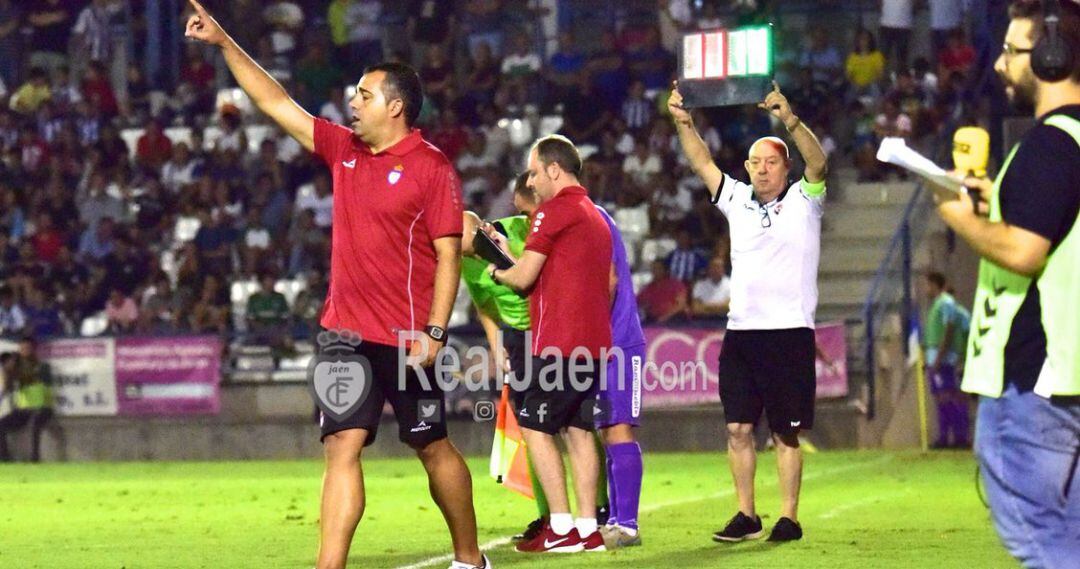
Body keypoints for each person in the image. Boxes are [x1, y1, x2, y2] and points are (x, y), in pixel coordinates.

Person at [182, 3, 487, 569]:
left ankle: (470, 559)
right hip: (343, 336)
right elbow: (275, 101)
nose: (353, 101)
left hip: (408, 337)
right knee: (341, 447)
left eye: (365, 95)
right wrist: (226, 44)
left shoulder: (432, 167)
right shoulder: (342, 148)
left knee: (430, 444)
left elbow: (449, 256)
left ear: (395, 107)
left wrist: (437, 332)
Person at [931, 2, 1080, 565]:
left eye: (1012, 51)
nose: (998, 65)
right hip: (1068, 374)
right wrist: (1002, 206)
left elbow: (1024, 251)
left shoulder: (1051, 142)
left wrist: (962, 219)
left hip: (1033, 381)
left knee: (1043, 545)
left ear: (1051, 57)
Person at [668, 80, 828, 542]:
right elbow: (701, 162)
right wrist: (684, 121)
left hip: (789, 333)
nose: (761, 170)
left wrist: (790, 119)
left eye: (771, 162)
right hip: (742, 334)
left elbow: (818, 162)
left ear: (785, 168)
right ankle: (746, 514)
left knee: (785, 433)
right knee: (737, 428)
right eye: (755, 163)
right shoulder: (736, 199)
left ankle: (789, 517)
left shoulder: (805, 201)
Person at [487, 135, 612, 554]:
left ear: (554, 169)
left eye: (535, 171)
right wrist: (511, 258)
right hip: (592, 343)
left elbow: (522, 281)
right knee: (578, 430)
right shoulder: (592, 213)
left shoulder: (553, 212)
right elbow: (548, 277)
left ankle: (559, 526)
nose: (532, 180)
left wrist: (499, 272)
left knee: (534, 424)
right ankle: (587, 527)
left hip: (559, 343)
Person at [922, 272, 971, 448]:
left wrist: (939, 359)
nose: (925, 289)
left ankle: (956, 437)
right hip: (936, 358)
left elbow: (948, 331)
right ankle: (949, 437)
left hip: (943, 360)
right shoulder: (938, 304)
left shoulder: (946, 303)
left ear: (935, 284)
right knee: (943, 397)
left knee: (948, 397)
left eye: (927, 284)